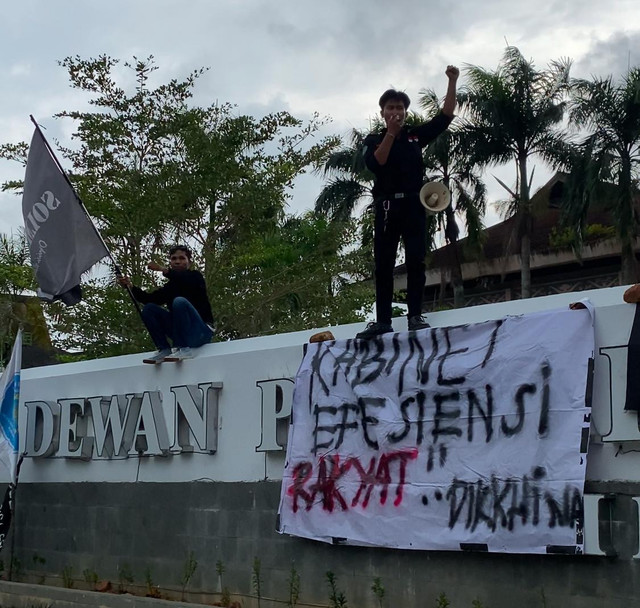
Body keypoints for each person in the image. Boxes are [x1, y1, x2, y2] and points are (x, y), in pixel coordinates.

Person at [356, 66, 459, 340]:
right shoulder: (374, 139)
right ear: (382, 112)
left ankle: (415, 316)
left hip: (414, 205)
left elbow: (445, 116)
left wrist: (452, 81)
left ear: (405, 111)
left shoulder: (415, 136)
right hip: (387, 207)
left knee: (416, 261)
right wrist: (390, 133)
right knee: (384, 266)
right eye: (390, 107)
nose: (396, 112)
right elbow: (377, 163)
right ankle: (383, 321)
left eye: (400, 108)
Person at [117, 245, 214, 363]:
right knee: (149, 309)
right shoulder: (170, 287)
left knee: (179, 302)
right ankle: (164, 349)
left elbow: (185, 280)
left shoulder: (195, 276)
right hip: (181, 333)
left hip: (200, 332)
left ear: (189, 262)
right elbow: (149, 299)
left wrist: (163, 270)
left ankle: (184, 349)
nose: (177, 262)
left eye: (182, 258)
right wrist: (130, 287)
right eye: (174, 259)